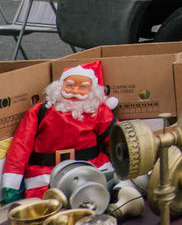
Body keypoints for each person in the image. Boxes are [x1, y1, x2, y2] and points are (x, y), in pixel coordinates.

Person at [2, 61, 117, 201]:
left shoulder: (99, 111)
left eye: (82, 87)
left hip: (90, 167)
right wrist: (11, 182)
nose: (75, 91)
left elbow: (115, 138)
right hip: (45, 173)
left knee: (95, 198)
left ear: (92, 91)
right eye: (69, 85)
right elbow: (21, 145)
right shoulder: (39, 111)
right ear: (59, 86)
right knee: (43, 208)